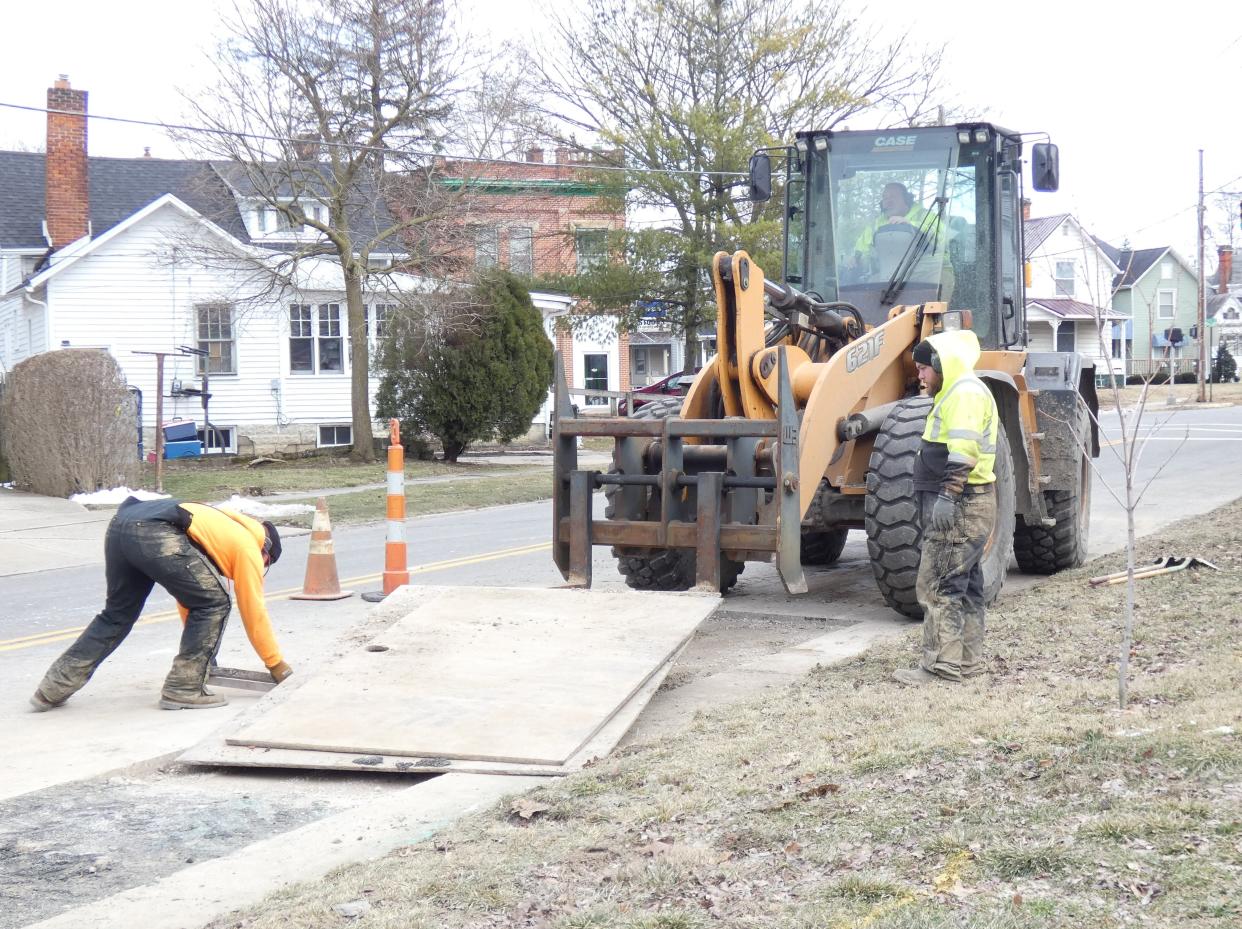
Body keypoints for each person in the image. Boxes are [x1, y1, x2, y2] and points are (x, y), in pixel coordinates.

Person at [30, 496, 293, 712]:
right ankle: (183, 688)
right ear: (265, 551)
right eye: (265, 565)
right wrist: (275, 664)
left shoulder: (221, 525)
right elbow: (253, 609)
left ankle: (53, 688)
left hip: (122, 524)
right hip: (157, 531)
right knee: (216, 602)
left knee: (116, 615)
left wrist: (203, 658)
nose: (261, 569)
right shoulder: (249, 547)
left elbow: (190, 598)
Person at [894, 329, 998, 686]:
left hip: (962, 505)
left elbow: (964, 451)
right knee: (965, 586)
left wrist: (948, 496)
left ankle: (941, 667)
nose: (920, 376)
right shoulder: (957, 390)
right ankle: (967, 662)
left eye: (924, 368)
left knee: (938, 585)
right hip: (968, 503)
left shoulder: (965, 393)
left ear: (941, 364)